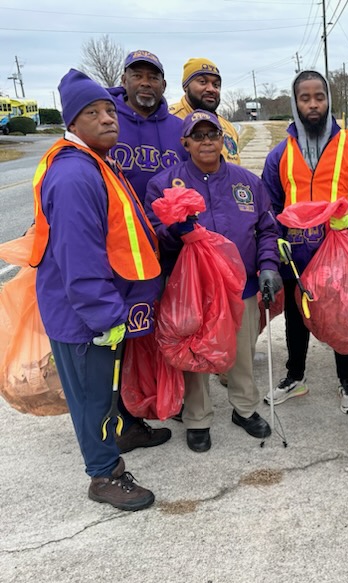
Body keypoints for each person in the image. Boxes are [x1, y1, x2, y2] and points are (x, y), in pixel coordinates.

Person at [31, 69, 166, 510]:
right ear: (73, 122)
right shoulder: (74, 176)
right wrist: (106, 316)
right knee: (93, 396)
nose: (108, 119)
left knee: (109, 385)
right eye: (93, 112)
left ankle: (123, 431)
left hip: (105, 307)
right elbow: (80, 257)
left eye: (110, 110)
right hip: (86, 316)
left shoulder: (97, 164)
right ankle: (104, 474)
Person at [145, 110, 281, 452]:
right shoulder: (164, 184)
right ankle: (198, 418)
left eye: (213, 134)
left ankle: (245, 408)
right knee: (194, 354)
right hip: (192, 290)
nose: (206, 141)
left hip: (242, 285)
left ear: (223, 139)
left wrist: (268, 265)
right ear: (185, 142)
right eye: (198, 135)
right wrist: (176, 229)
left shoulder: (246, 181)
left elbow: (267, 227)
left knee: (241, 352)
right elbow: (153, 236)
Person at [262, 70, 348, 414]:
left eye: (319, 97)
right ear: (295, 102)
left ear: (329, 100)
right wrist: (277, 239)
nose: (313, 104)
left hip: (337, 255)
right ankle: (295, 376)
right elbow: (267, 207)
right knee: (296, 319)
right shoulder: (279, 154)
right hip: (296, 254)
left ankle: (347, 383)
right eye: (305, 98)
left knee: (340, 317)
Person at [108, 50, 187, 203]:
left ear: (163, 85)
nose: (145, 83)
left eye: (153, 78)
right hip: (119, 222)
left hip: (168, 224)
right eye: (137, 76)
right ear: (124, 81)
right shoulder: (106, 123)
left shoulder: (181, 128)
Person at [169, 58, 240, 164]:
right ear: (185, 86)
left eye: (216, 85)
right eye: (203, 82)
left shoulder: (229, 128)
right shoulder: (169, 121)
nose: (211, 89)